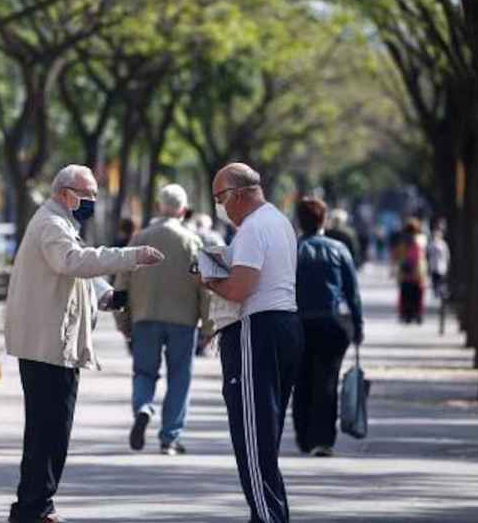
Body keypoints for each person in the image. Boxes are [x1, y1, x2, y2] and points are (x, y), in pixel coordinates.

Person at [4, 164, 163, 523]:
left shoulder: (61, 224)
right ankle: (34, 508)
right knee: (48, 431)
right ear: (64, 193)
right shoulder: (50, 223)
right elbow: (71, 262)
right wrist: (130, 255)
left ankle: (35, 505)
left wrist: (106, 295)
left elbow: (75, 275)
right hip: (46, 347)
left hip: (53, 346)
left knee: (51, 430)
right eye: (86, 194)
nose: (92, 201)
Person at [203, 163, 303, 523]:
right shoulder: (278, 221)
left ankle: (267, 516)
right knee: (264, 435)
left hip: (256, 330)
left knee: (253, 439)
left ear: (239, 194)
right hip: (284, 326)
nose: (219, 206)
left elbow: (240, 289)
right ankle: (270, 513)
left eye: (220, 198)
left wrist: (208, 279)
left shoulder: (251, 228)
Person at [114, 184, 213, 456]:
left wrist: (123, 321)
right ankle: (170, 437)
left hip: (145, 315)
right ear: (183, 210)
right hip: (184, 319)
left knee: (144, 372)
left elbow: (123, 278)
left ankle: (143, 407)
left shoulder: (140, 237)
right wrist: (208, 325)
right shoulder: (193, 241)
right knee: (180, 376)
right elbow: (204, 286)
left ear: (159, 207)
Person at [292, 197, 364, 457]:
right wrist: (357, 324)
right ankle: (323, 439)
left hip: (297, 323)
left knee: (301, 381)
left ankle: (303, 436)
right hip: (331, 324)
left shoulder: (292, 250)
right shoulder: (339, 249)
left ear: (299, 221)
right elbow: (352, 292)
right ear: (323, 219)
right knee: (327, 382)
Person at [394, 218, 428, 324]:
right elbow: (422, 257)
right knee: (417, 295)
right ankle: (418, 314)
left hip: (405, 272)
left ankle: (406, 314)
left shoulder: (403, 241)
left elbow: (397, 256)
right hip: (418, 273)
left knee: (405, 295)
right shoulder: (421, 241)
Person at [427, 219, 450, 301]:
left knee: (440, 282)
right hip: (435, 266)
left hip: (440, 267)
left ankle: (441, 294)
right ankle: (438, 294)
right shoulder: (432, 244)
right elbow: (428, 255)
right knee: (435, 281)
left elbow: (447, 255)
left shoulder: (442, 244)